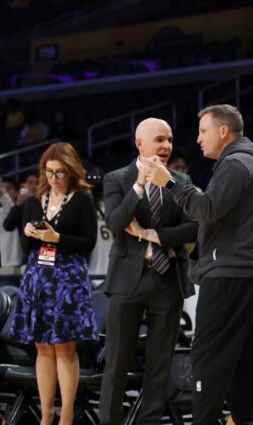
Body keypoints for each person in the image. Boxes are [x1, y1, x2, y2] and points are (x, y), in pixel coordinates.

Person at [142, 105, 253, 424]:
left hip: (229, 274)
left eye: (204, 131)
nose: (198, 139)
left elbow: (206, 209)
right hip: (243, 273)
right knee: (243, 359)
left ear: (223, 131)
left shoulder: (235, 164)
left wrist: (170, 183)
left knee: (206, 356)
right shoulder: (246, 161)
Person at [98, 118, 198, 425]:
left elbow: (196, 226)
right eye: (159, 140)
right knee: (116, 363)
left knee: (159, 365)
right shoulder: (117, 179)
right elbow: (116, 223)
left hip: (167, 279)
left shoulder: (179, 180)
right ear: (139, 143)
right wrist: (139, 186)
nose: (167, 146)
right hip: (127, 280)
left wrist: (151, 235)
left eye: (169, 139)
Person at [7, 142, 98, 425]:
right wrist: (27, 231)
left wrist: (57, 238)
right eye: (49, 171)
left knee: (65, 348)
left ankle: (66, 414)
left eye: (60, 172)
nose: (53, 178)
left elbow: (89, 242)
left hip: (68, 279)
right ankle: (46, 415)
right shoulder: (34, 201)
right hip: (38, 277)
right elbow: (26, 247)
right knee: (43, 347)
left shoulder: (82, 200)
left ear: (71, 172)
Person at [0, 179, 23, 273]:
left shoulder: (22, 209)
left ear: (17, 192)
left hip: (15, 262)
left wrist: (2, 195)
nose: (4, 191)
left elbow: (11, 210)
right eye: (2, 189)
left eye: (8, 189)